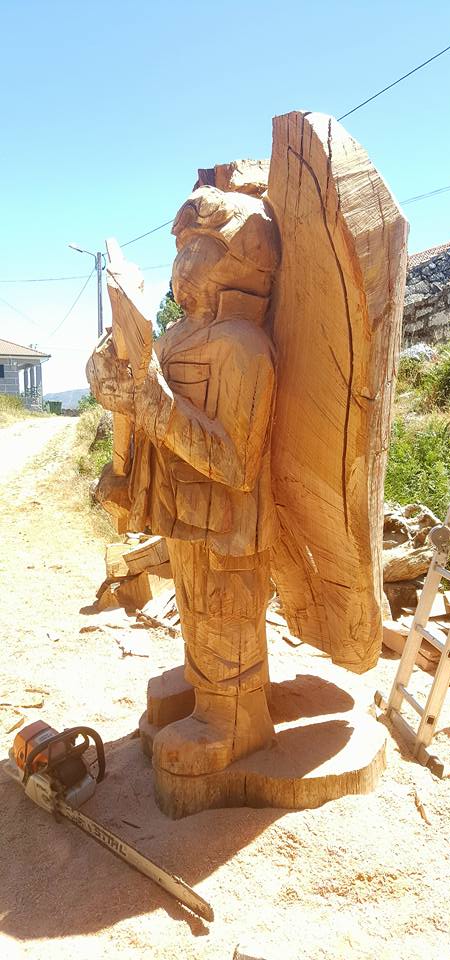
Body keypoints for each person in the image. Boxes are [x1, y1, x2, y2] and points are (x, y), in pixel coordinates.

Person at [87, 186, 281, 776]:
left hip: (230, 522)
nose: (184, 262)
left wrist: (154, 402)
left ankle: (235, 719)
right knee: (194, 606)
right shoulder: (174, 339)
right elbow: (145, 402)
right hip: (184, 510)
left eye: (199, 246)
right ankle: (205, 691)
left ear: (242, 260)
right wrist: (115, 382)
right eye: (183, 249)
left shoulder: (244, 348)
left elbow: (236, 463)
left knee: (225, 609)